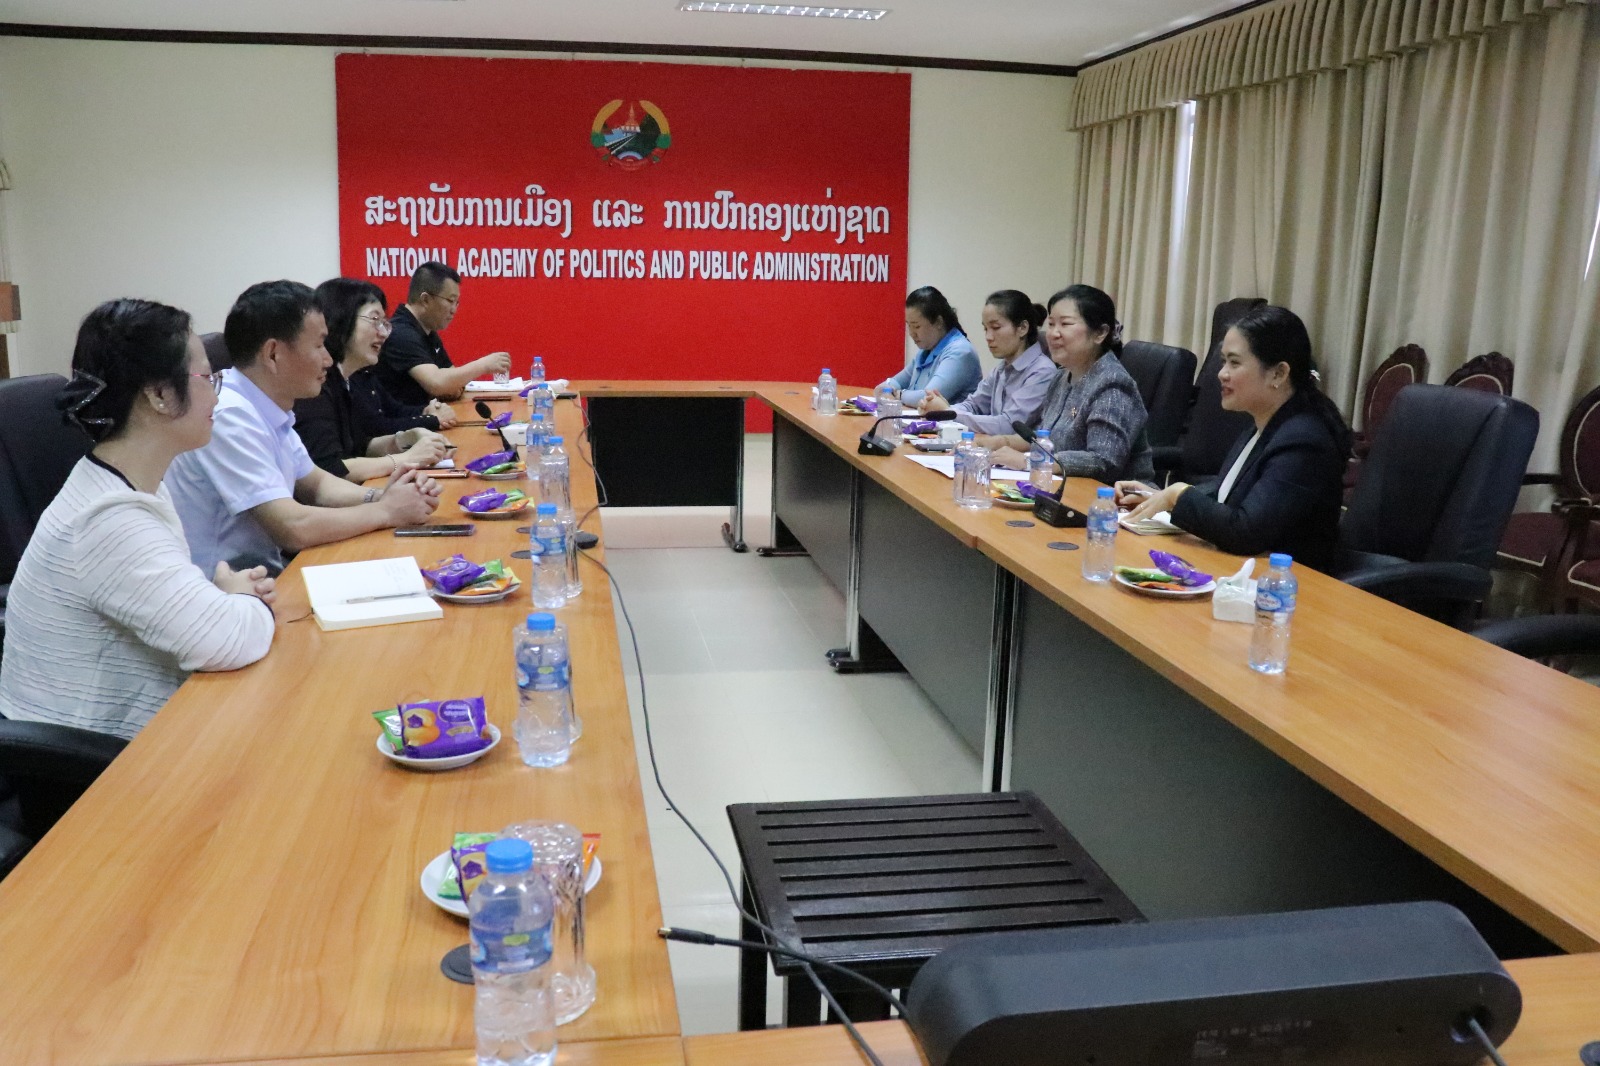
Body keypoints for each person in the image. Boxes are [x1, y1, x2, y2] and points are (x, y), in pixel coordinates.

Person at [0, 299, 277, 739]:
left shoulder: (128, 482)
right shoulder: (109, 520)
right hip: (102, 764)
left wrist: (223, 600)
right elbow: (225, 641)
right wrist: (242, 599)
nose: (216, 394)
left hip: (143, 731)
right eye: (207, 378)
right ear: (160, 395)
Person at [166, 280, 442, 577]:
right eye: (319, 345)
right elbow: (292, 527)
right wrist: (386, 511)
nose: (328, 359)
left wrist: (384, 495)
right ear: (273, 354)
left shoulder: (269, 405)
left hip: (265, 576)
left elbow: (317, 485)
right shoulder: (230, 414)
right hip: (227, 588)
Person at [1117, 305, 1349, 571]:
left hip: (1290, 585)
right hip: (1239, 570)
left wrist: (1178, 495)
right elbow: (1227, 496)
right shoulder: (1263, 423)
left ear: (1278, 373)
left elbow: (1245, 531)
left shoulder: (1303, 441)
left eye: (1234, 362)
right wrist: (1158, 498)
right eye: (1223, 361)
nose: (1221, 373)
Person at [979, 285, 1154, 482]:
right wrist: (998, 442)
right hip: (1060, 486)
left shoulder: (1112, 384)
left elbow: (1104, 461)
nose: (1053, 333)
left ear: (1100, 333)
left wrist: (1031, 462)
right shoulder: (1061, 377)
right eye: (1051, 324)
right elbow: (1046, 440)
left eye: (1065, 324)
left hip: (1114, 496)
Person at [295, 278, 452, 483]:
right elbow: (331, 468)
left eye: (384, 323)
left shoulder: (347, 379)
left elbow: (360, 446)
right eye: (374, 320)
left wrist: (405, 438)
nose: (383, 333)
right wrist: (406, 459)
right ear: (342, 318)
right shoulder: (316, 384)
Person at [375, 261, 512, 406]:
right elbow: (438, 383)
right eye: (450, 300)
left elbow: (452, 383)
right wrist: (484, 365)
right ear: (425, 300)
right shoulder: (401, 334)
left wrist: (448, 385)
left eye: (457, 303)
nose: (454, 310)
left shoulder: (428, 331)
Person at [920, 289, 1056, 434]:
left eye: (996, 328)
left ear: (1022, 328)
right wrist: (942, 410)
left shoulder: (1042, 371)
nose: (988, 337)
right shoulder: (1001, 369)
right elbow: (973, 405)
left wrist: (948, 413)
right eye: (986, 329)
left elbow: (1008, 425)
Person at [879, 286, 982, 407]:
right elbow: (892, 383)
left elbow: (928, 398)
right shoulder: (926, 351)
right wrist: (888, 389)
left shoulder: (960, 352)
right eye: (909, 326)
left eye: (916, 326)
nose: (911, 333)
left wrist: (898, 394)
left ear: (938, 322)